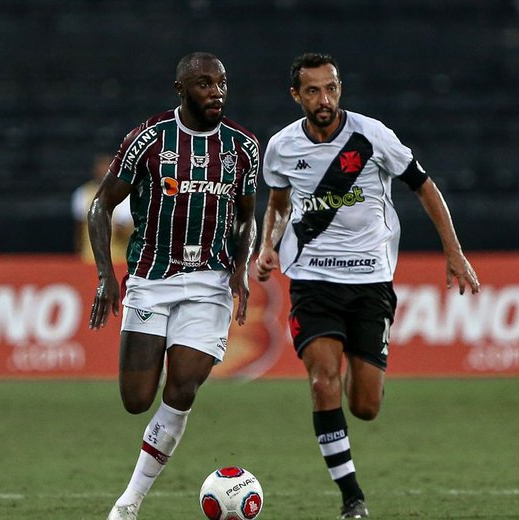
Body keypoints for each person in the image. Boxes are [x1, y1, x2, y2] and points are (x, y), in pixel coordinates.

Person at [255, 53, 480, 519]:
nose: (325, 99)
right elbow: (276, 203)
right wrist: (267, 245)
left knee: (365, 406)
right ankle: (352, 497)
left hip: (370, 283)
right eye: (313, 91)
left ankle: (359, 378)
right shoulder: (280, 147)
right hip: (312, 280)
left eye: (331, 88)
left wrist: (453, 252)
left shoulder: (372, 136)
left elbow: (424, 187)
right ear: (296, 96)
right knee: (323, 382)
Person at [87, 52, 259, 520]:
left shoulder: (242, 146)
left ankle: (129, 502)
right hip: (150, 279)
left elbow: (247, 219)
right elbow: (100, 207)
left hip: (209, 281)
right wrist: (106, 275)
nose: (216, 92)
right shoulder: (148, 139)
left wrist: (241, 268)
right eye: (204, 84)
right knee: (136, 400)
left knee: (182, 387)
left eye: (221, 83)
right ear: (180, 89)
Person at [73, 153, 134, 264]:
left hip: (118, 259)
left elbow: (131, 231)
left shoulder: (126, 196)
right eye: (100, 167)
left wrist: (121, 230)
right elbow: (80, 228)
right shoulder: (83, 193)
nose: (103, 171)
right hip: (90, 258)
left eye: (107, 168)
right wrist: (79, 252)